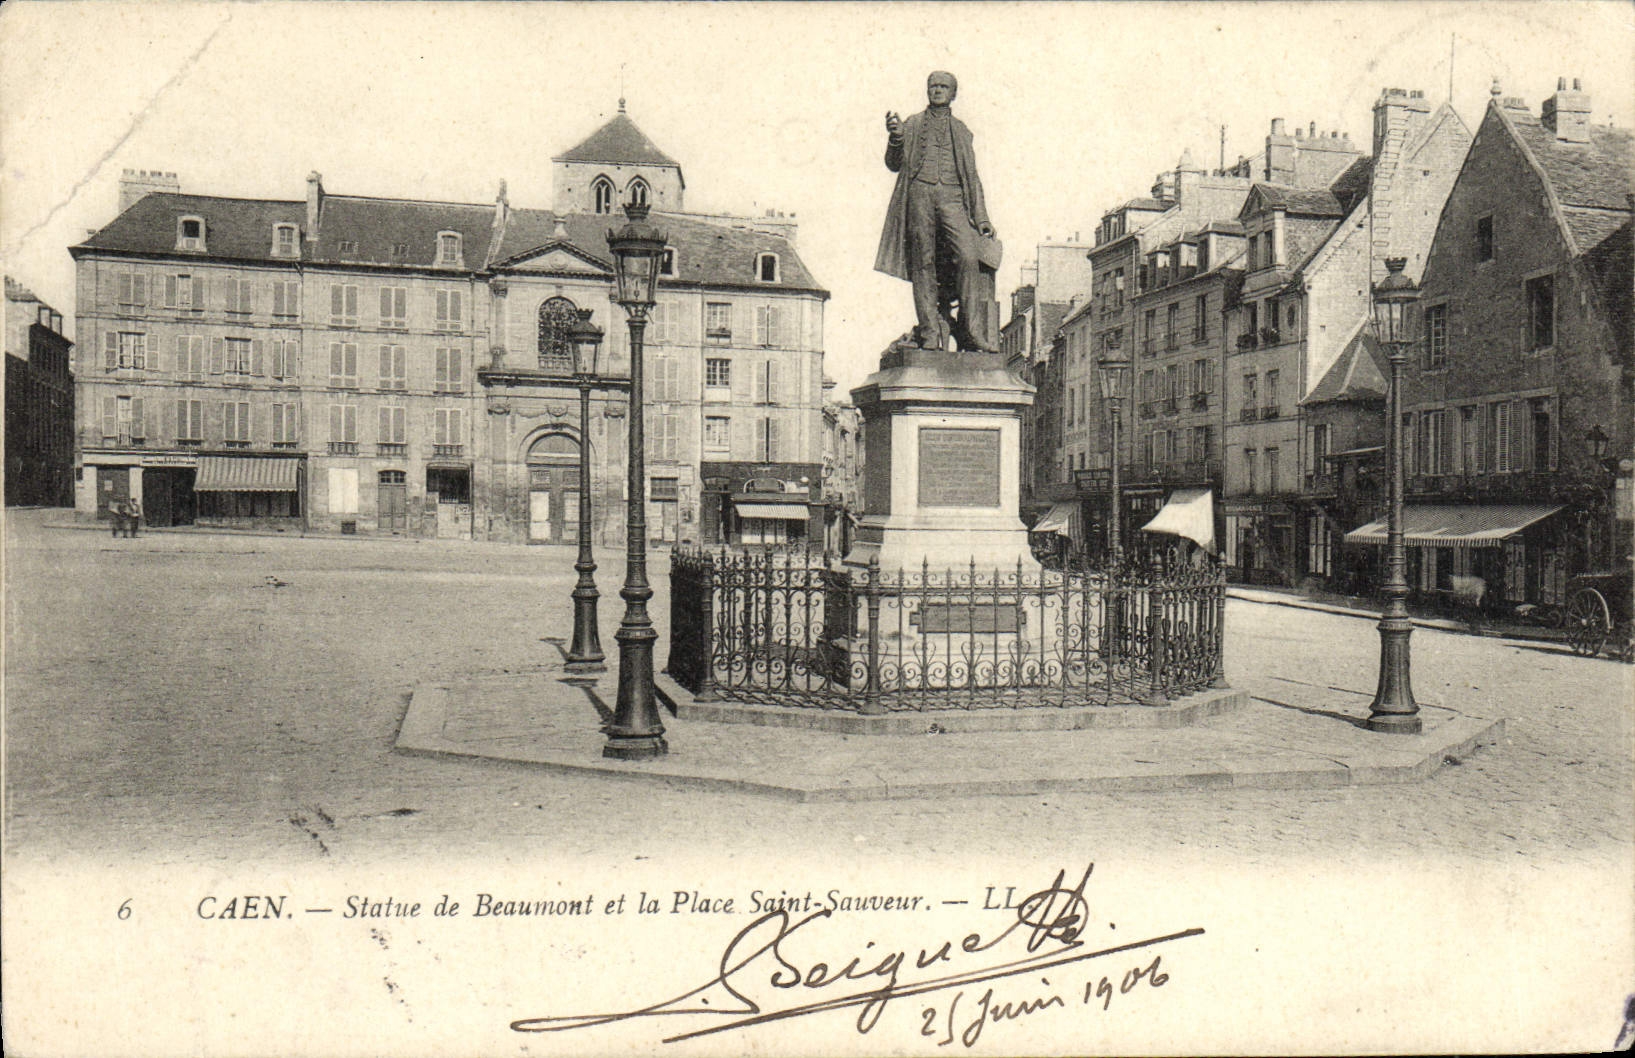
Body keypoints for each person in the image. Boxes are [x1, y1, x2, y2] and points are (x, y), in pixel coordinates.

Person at [875, 70, 998, 353]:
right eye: (933, 86)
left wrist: (981, 218)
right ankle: (930, 333)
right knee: (923, 263)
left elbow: (973, 176)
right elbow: (893, 164)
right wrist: (895, 138)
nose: (937, 90)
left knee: (968, 257)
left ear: (953, 93)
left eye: (943, 86)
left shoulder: (962, 130)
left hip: (953, 197)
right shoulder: (913, 123)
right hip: (919, 194)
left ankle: (972, 331)